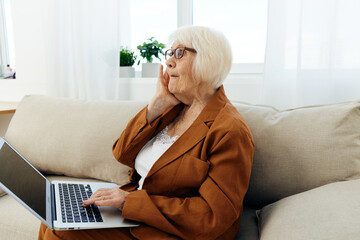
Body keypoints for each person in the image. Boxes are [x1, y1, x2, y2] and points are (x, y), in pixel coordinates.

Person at [38, 26, 254, 240]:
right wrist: (155, 105)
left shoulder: (230, 130)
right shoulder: (173, 107)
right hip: (137, 215)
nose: (168, 62)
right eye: (169, 53)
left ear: (209, 60)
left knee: (61, 231)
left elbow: (212, 215)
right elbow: (121, 153)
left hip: (169, 231)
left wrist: (128, 202)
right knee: (52, 217)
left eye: (180, 53)